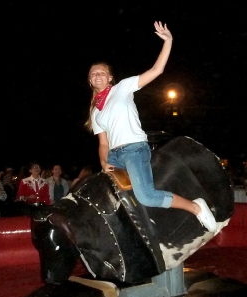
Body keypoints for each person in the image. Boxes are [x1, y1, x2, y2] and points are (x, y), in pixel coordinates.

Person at [84, 21, 216, 232]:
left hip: (134, 149)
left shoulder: (122, 88)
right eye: (93, 74)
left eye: (101, 72)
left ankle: (195, 207)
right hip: (114, 156)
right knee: (106, 196)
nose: (97, 75)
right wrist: (103, 161)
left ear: (109, 78)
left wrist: (168, 42)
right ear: (90, 81)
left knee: (146, 196)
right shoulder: (96, 111)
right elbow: (103, 142)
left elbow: (157, 70)